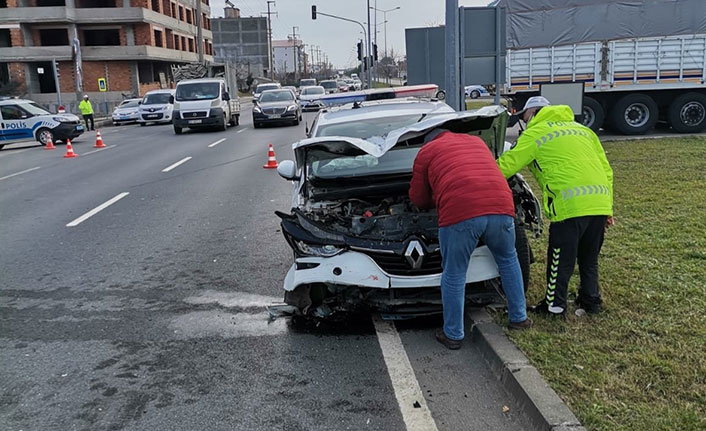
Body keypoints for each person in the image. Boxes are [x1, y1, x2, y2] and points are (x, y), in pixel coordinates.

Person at [409, 129, 533, 350]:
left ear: (427, 140)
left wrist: (430, 203)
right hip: (501, 208)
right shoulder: (476, 141)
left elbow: (418, 197)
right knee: (508, 259)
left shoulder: (427, 151)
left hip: (460, 212)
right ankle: (519, 318)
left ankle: (453, 334)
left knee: (455, 272)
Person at [497, 96, 614, 318]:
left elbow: (507, 166)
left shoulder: (536, 133)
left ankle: (555, 307)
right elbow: (607, 170)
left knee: (560, 260)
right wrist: (608, 208)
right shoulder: (583, 130)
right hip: (599, 203)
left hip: (569, 206)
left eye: (524, 117)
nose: (524, 121)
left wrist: (479, 170)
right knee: (589, 257)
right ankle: (592, 302)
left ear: (532, 113)